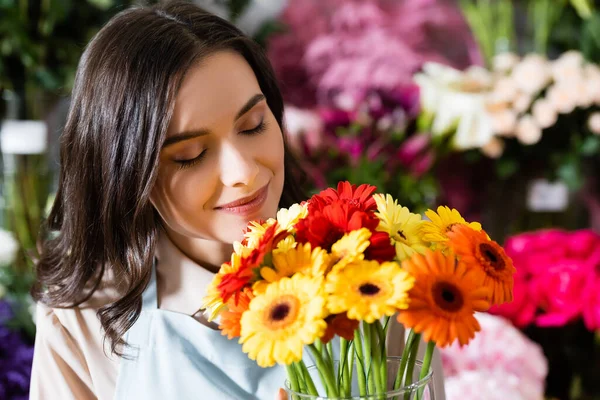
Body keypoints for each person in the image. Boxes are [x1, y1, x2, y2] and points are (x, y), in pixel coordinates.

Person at [29, 2, 446, 399]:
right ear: (126, 173)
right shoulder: (80, 322)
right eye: (190, 155)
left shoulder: (372, 274)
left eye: (253, 125)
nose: (244, 172)